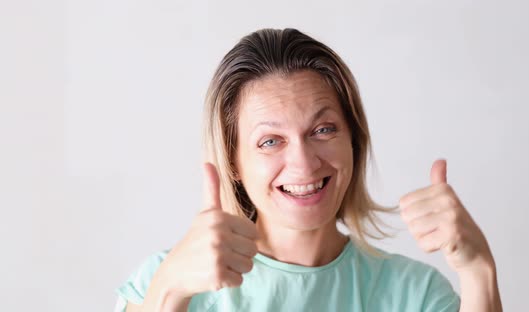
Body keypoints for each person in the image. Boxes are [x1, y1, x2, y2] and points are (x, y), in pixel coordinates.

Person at [114, 28, 502, 312]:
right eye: (270, 140)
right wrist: (168, 294)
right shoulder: (166, 281)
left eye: (322, 130)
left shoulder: (414, 294)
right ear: (233, 161)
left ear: (354, 140)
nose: (303, 162)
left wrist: (478, 271)